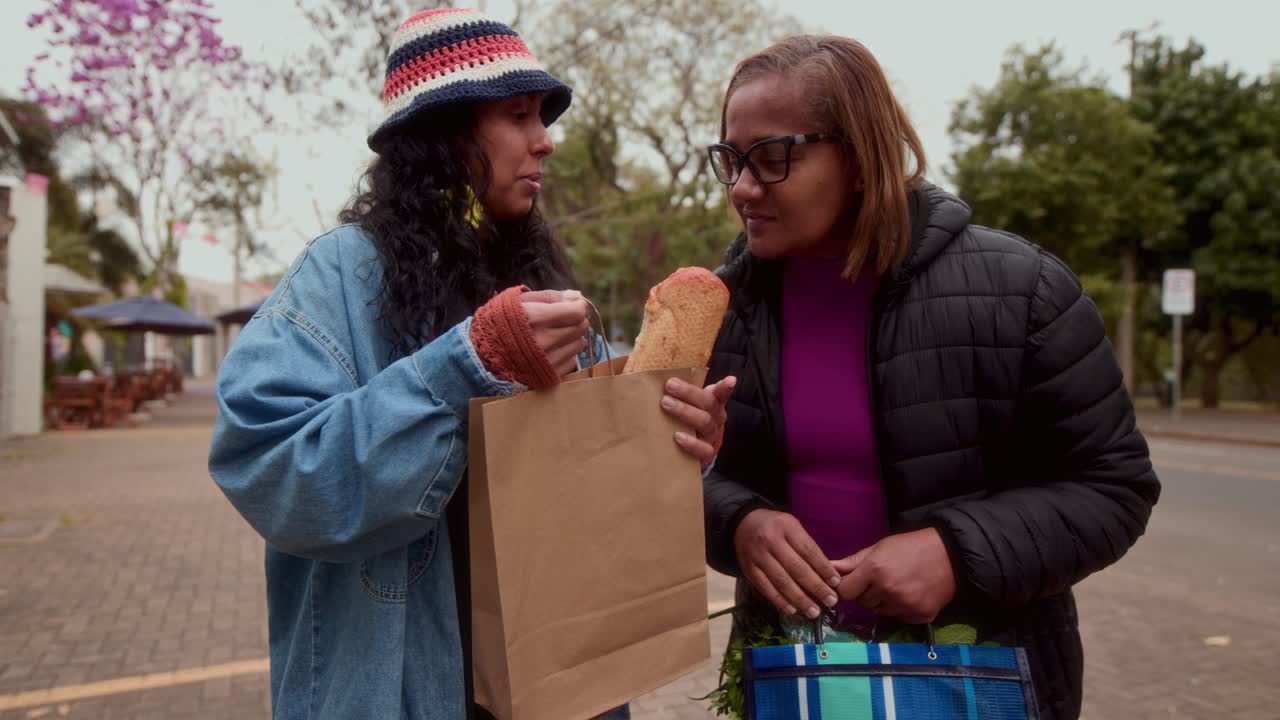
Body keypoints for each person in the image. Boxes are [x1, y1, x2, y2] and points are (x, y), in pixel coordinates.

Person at [208, 8, 733, 719]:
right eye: (518, 115)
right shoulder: (340, 273)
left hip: (560, 684)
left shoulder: (539, 274)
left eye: (542, 117)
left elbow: (602, 477)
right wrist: (466, 365)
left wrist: (678, 441)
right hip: (402, 691)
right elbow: (267, 468)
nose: (544, 141)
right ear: (445, 137)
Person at [701, 35, 1160, 719]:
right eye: (731, 160)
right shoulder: (719, 309)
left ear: (858, 158)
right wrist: (738, 520)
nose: (742, 187)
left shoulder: (1024, 292)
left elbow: (1114, 486)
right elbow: (679, 481)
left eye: (773, 160)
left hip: (979, 678)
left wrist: (957, 551)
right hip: (795, 679)